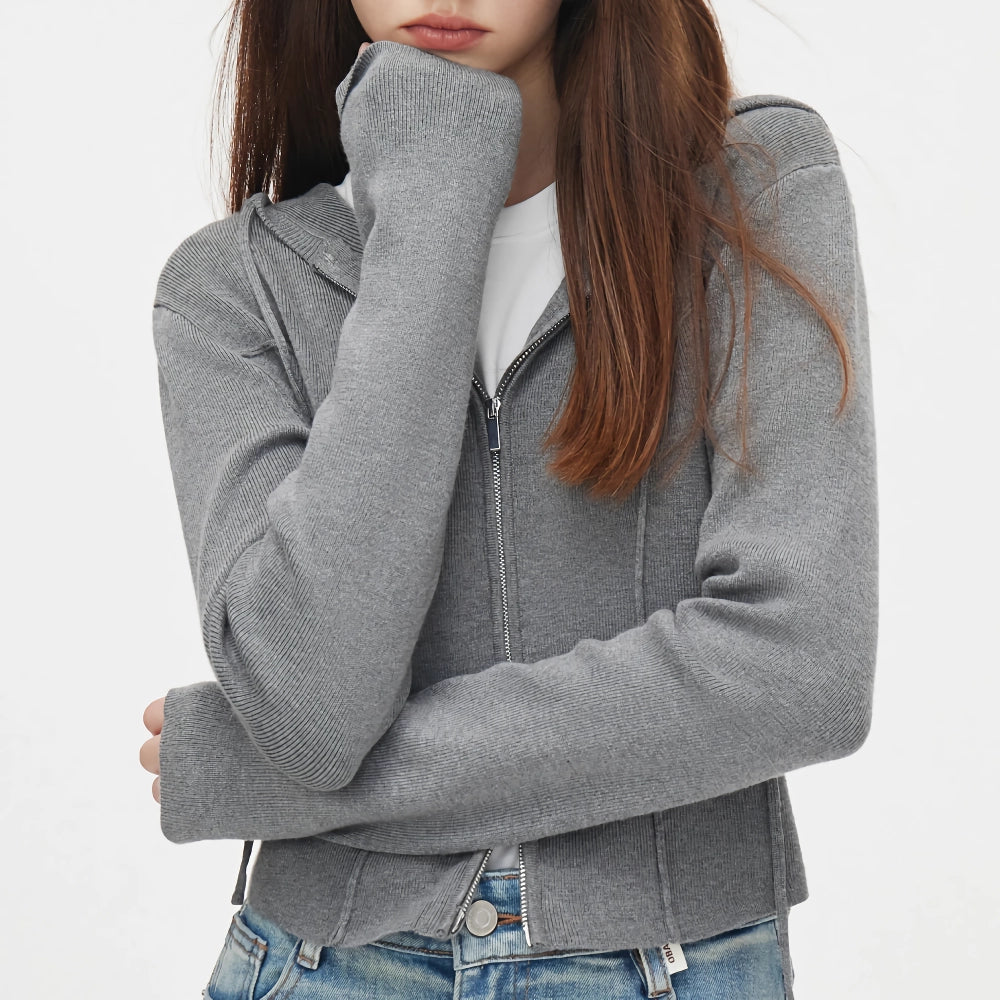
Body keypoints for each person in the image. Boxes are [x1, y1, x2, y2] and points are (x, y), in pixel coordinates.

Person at [138, 2, 878, 998]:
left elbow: (795, 671)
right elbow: (314, 713)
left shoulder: (750, 187)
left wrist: (264, 778)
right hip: (319, 967)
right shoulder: (232, 287)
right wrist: (433, 190)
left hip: (669, 964)